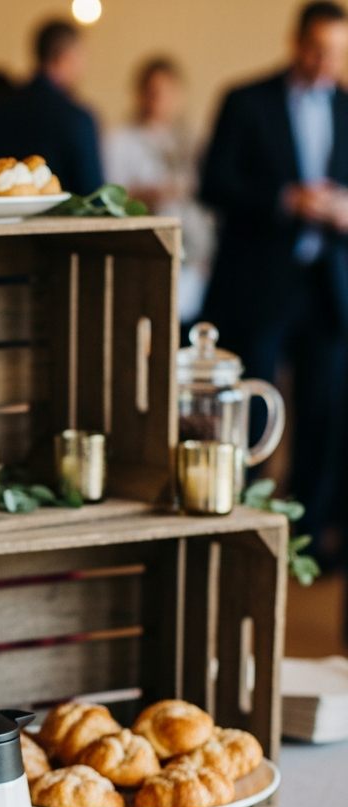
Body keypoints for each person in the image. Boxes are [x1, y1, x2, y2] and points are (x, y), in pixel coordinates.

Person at [200, 1, 348, 561]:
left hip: (327, 288)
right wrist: (287, 199)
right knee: (252, 410)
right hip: (260, 286)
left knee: (323, 415)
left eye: (335, 51)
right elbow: (214, 182)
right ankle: (240, 533)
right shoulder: (245, 100)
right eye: (316, 48)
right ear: (295, 42)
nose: (324, 60)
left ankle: (303, 539)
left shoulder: (346, 107)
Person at [105, 58, 215, 324]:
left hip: (191, 252)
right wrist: (152, 194)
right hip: (141, 250)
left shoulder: (190, 142)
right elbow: (110, 194)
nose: (159, 98)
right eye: (153, 91)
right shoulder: (120, 139)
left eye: (166, 91)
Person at [0, 19, 103, 195]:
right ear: (65, 57)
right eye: (82, 56)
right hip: (58, 220)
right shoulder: (77, 118)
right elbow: (92, 194)